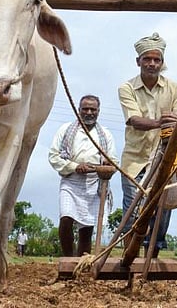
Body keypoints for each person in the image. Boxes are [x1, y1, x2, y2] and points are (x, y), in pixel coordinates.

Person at [118, 32, 177, 254]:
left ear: (162, 63)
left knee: (159, 215)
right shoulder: (126, 88)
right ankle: (128, 263)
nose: (152, 64)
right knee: (132, 213)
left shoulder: (174, 88)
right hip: (134, 161)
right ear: (138, 62)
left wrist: (171, 123)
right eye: (147, 59)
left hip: (163, 159)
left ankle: (151, 263)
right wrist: (159, 123)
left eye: (156, 59)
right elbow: (134, 120)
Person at [48, 94, 118, 257]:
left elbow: (113, 160)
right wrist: (75, 166)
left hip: (95, 184)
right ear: (78, 110)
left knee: (87, 228)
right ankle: (68, 259)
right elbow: (53, 156)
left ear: (98, 112)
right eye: (85, 109)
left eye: (92, 109)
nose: (89, 112)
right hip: (71, 181)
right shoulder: (65, 130)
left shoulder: (105, 135)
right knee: (66, 219)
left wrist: (105, 167)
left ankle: (81, 265)